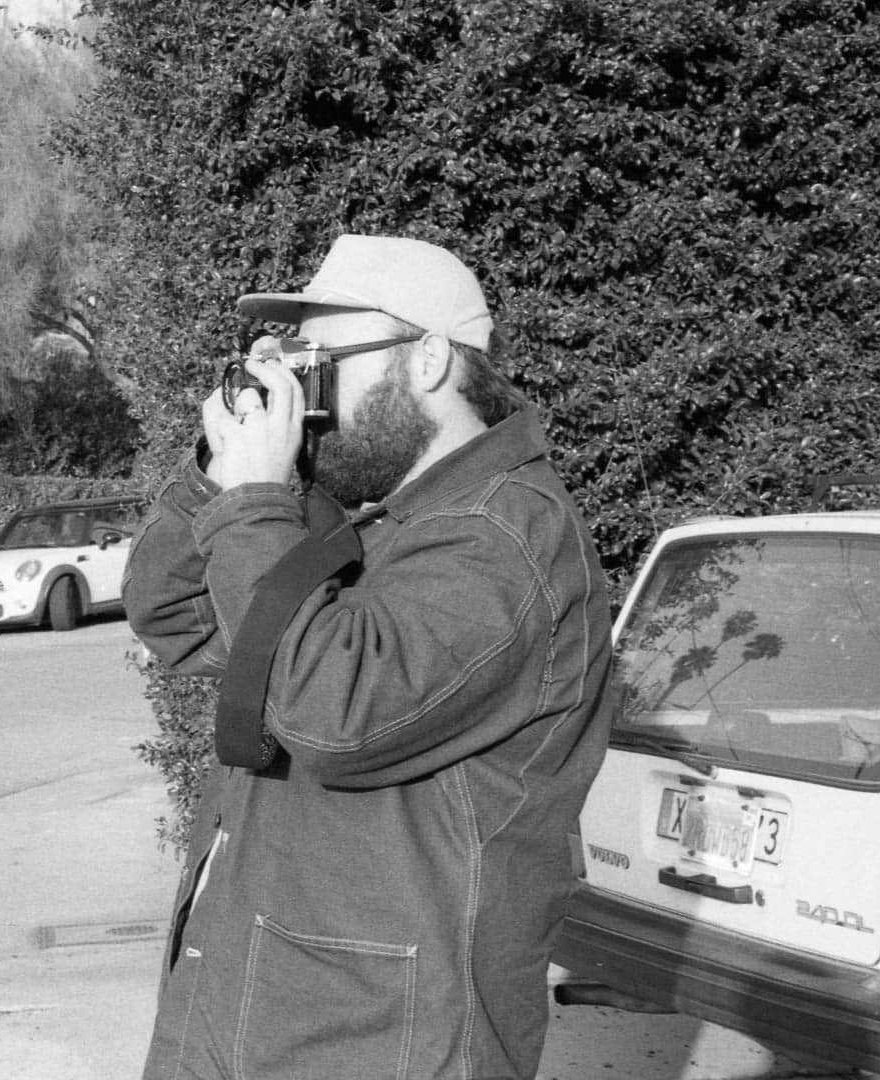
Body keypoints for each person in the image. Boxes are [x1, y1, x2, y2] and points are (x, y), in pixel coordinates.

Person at [124, 234, 614, 1080]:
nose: (302, 396)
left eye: (322, 363)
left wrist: (254, 505)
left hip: (385, 1037)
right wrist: (218, 473)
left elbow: (334, 714)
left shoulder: (502, 540)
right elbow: (174, 614)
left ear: (427, 360)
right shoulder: (385, 523)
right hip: (270, 1007)